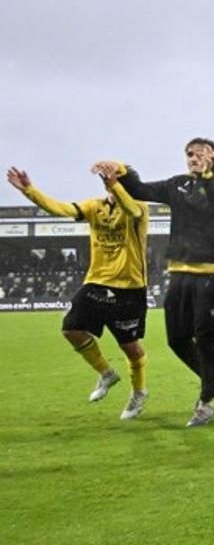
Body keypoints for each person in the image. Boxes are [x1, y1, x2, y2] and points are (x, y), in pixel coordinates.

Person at [99, 139, 214, 427]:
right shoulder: (178, 185)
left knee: (207, 338)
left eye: (201, 153)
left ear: (213, 156)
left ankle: (206, 401)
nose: (194, 158)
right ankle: (213, 377)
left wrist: (211, 173)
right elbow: (141, 190)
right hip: (180, 273)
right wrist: (120, 170)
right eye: (190, 154)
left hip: (212, 274)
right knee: (176, 339)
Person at [7, 165, 150, 419]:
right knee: (70, 327)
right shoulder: (94, 207)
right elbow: (62, 209)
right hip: (96, 282)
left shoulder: (139, 208)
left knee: (131, 348)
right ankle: (106, 373)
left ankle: (139, 393)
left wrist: (116, 185)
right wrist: (29, 190)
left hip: (129, 288)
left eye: (120, 181)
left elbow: (131, 208)